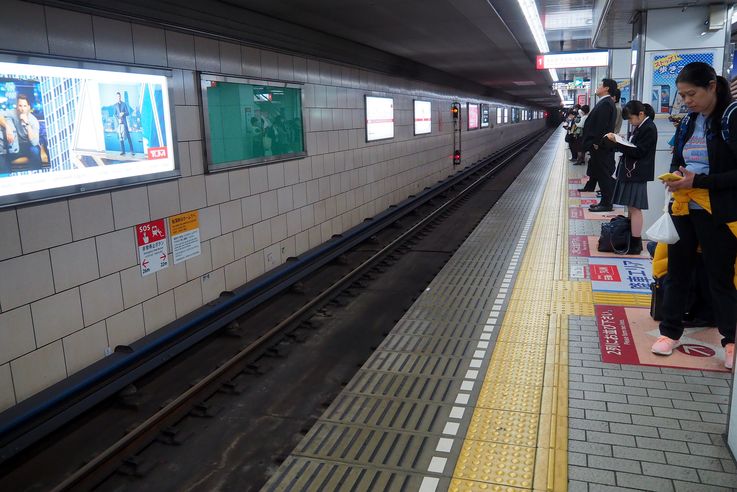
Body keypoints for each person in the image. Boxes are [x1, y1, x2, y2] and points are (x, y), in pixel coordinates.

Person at [651, 62, 737, 370]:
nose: (687, 101)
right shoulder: (688, 122)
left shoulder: (731, 118)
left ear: (712, 86)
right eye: (683, 96)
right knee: (677, 273)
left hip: (719, 213)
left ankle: (730, 340)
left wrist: (698, 182)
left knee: (721, 278)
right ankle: (669, 332)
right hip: (685, 208)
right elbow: (679, 158)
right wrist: (675, 176)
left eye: (692, 94)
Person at [603, 100, 657, 255]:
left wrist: (618, 143)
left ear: (641, 114)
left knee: (635, 208)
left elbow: (639, 152)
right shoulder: (642, 126)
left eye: (632, 119)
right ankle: (633, 240)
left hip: (637, 173)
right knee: (632, 207)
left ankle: (635, 243)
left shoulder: (648, 128)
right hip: (633, 172)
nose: (631, 123)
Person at [580, 79, 618, 207]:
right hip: (600, 146)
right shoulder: (605, 103)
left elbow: (601, 126)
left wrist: (596, 143)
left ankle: (607, 203)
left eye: (600, 85)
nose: (597, 87)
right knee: (601, 174)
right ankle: (605, 202)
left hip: (600, 147)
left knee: (604, 175)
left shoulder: (606, 104)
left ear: (606, 88)